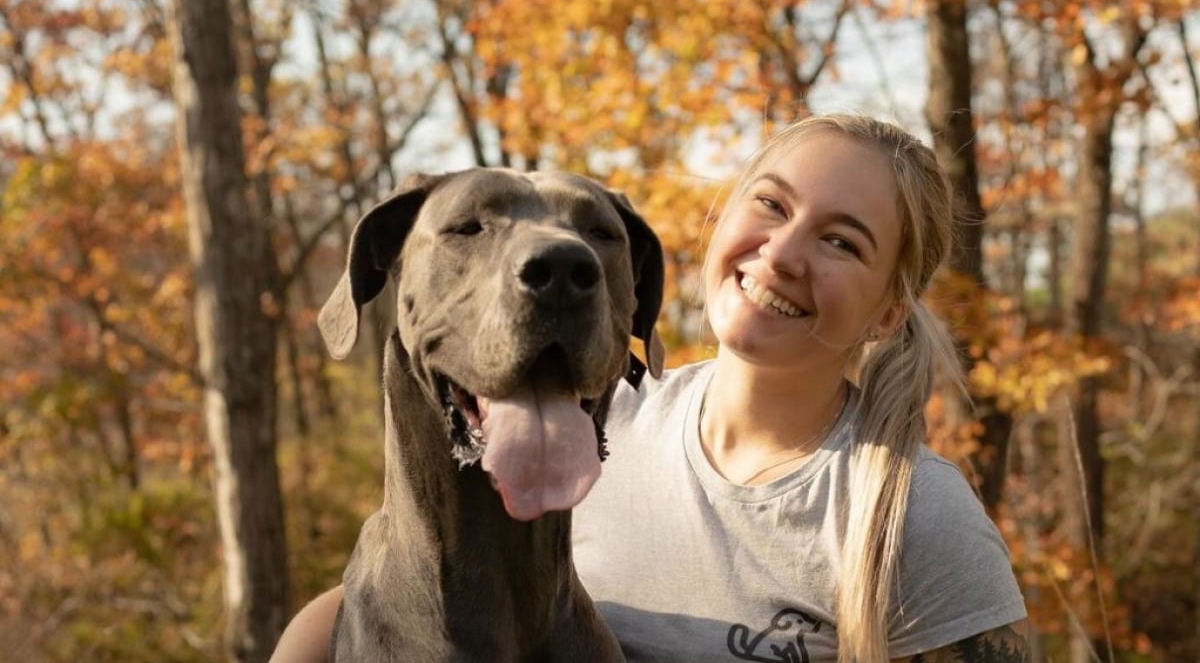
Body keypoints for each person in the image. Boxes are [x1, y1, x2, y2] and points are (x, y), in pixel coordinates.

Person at [271, 113, 1028, 663]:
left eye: (840, 240)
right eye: (770, 204)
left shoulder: (910, 514)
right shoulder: (600, 432)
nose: (785, 252)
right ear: (721, 217)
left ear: (889, 309)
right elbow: (415, 588)